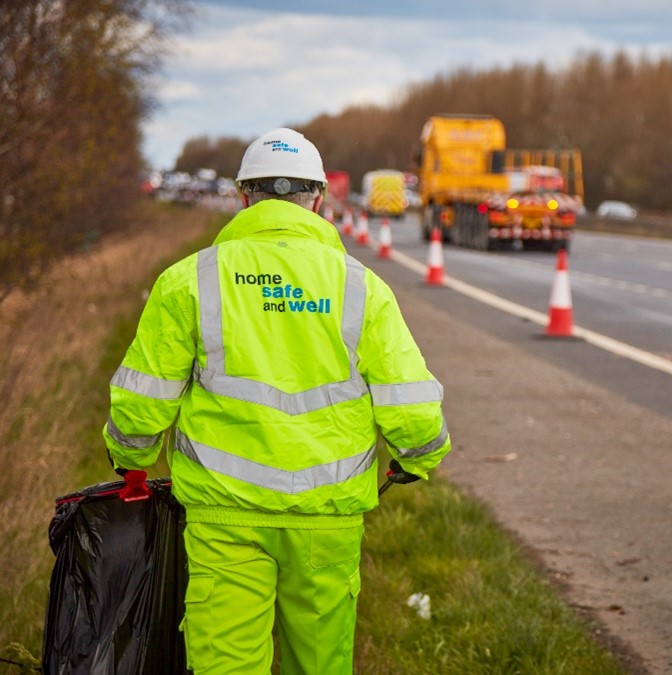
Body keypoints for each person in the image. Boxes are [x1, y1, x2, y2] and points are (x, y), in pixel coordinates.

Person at [104, 127, 450, 674]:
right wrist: (416, 459)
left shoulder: (189, 282)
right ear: (317, 200)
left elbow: (143, 400)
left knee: (227, 664)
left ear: (244, 197)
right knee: (320, 664)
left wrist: (131, 460)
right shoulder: (362, 288)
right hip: (327, 521)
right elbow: (412, 409)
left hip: (225, 519)